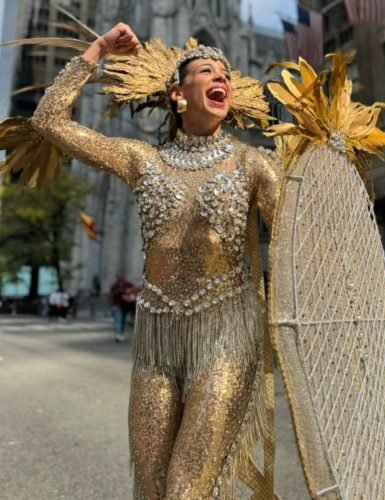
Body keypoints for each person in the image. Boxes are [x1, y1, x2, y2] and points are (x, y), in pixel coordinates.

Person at [25, 25, 282, 496]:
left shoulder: (254, 164)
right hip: (156, 341)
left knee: (186, 486)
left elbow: (297, 238)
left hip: (227, 337)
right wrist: (97, 52)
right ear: (177, 94)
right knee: (152, 484)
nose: (220, 75)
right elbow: (48, 121)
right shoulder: (141, 160)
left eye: (225, 72)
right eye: (206, 70)